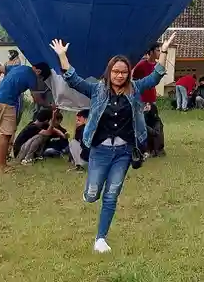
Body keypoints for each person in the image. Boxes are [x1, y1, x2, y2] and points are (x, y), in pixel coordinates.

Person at [51, 35, 170, 253]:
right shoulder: (97, 90)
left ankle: (100, 239)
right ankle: (88, 192)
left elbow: (155, 77)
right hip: (100, 150)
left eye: (124, 72)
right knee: (92, 194)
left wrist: (164, 53)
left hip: (124, 152)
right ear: (109, 71)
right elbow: (73, 79)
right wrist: (62, 56)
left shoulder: (134, 89)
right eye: (116, 71)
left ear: (128, 73)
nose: (119, 75)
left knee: (112, 194)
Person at [0, 59, 52, 173]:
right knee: (5, 135)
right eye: (41, 78)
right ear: (39, 71)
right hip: (6, 103)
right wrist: (50, 106)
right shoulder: (32, 76)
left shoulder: (19, 67)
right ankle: (1, 166)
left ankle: (3, 161)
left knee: (8, 133)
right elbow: (37, 99)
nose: (39, 80)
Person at [132, 44, 166, 158]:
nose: (159, 52)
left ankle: (155, 148)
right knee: (143, 124)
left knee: (155, 123)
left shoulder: (156, 65)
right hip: (142, 101)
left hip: (152, 99)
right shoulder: (141, 65)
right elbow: (135, 82)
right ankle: (143, 149)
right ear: (150, 52)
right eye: (157, 50)